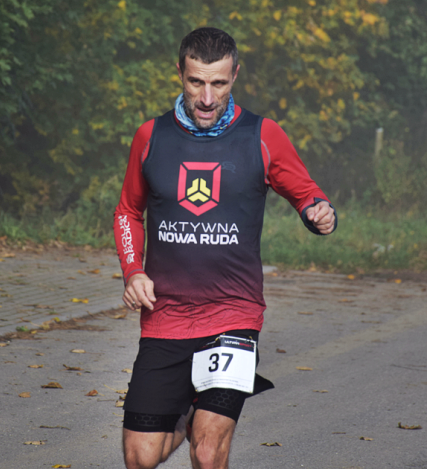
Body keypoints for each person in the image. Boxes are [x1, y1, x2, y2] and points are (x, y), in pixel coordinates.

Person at [113, 27, 336, 469]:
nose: (207, 97)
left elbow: (307, 193)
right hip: (166, 317)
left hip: (233, 313)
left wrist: (319, 213)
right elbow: (127, 212)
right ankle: (193, 407)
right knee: (140, 457)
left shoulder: (262, 134)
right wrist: (133, 271)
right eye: (196, 82)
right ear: (180, 73)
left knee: (208, 451)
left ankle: (205, 415)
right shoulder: (151, 136)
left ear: (235, 75)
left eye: (218, 83)